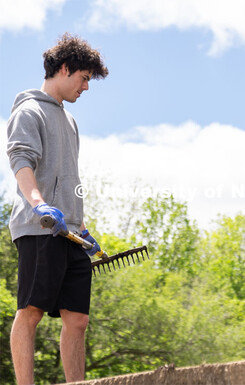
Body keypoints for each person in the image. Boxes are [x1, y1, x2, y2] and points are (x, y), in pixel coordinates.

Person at [6, 33, 108, 385]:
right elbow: (21, 161)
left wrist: (81, 225)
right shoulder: (28, 110)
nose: (86, 87)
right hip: (40, 228)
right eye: (83, 78)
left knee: (78, 318)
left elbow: (70, 179)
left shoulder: (70, 121)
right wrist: (40, 205)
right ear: (64, 69)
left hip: (70, 232)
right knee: (30, 311)